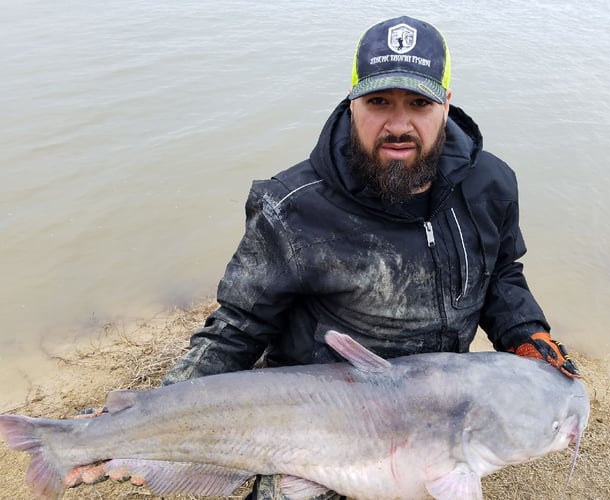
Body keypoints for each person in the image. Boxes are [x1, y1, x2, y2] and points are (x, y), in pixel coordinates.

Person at [162, 15, 580, 500]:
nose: (398, 125)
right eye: (379, 102)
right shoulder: (293, 208)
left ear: (446, 104)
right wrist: (150, 411)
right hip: (320, 422)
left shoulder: (490, 184)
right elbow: (237, 327)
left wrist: (528, 335)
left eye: (419, 103)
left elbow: (502, 273)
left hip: (435, 416)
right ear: (353, 101)